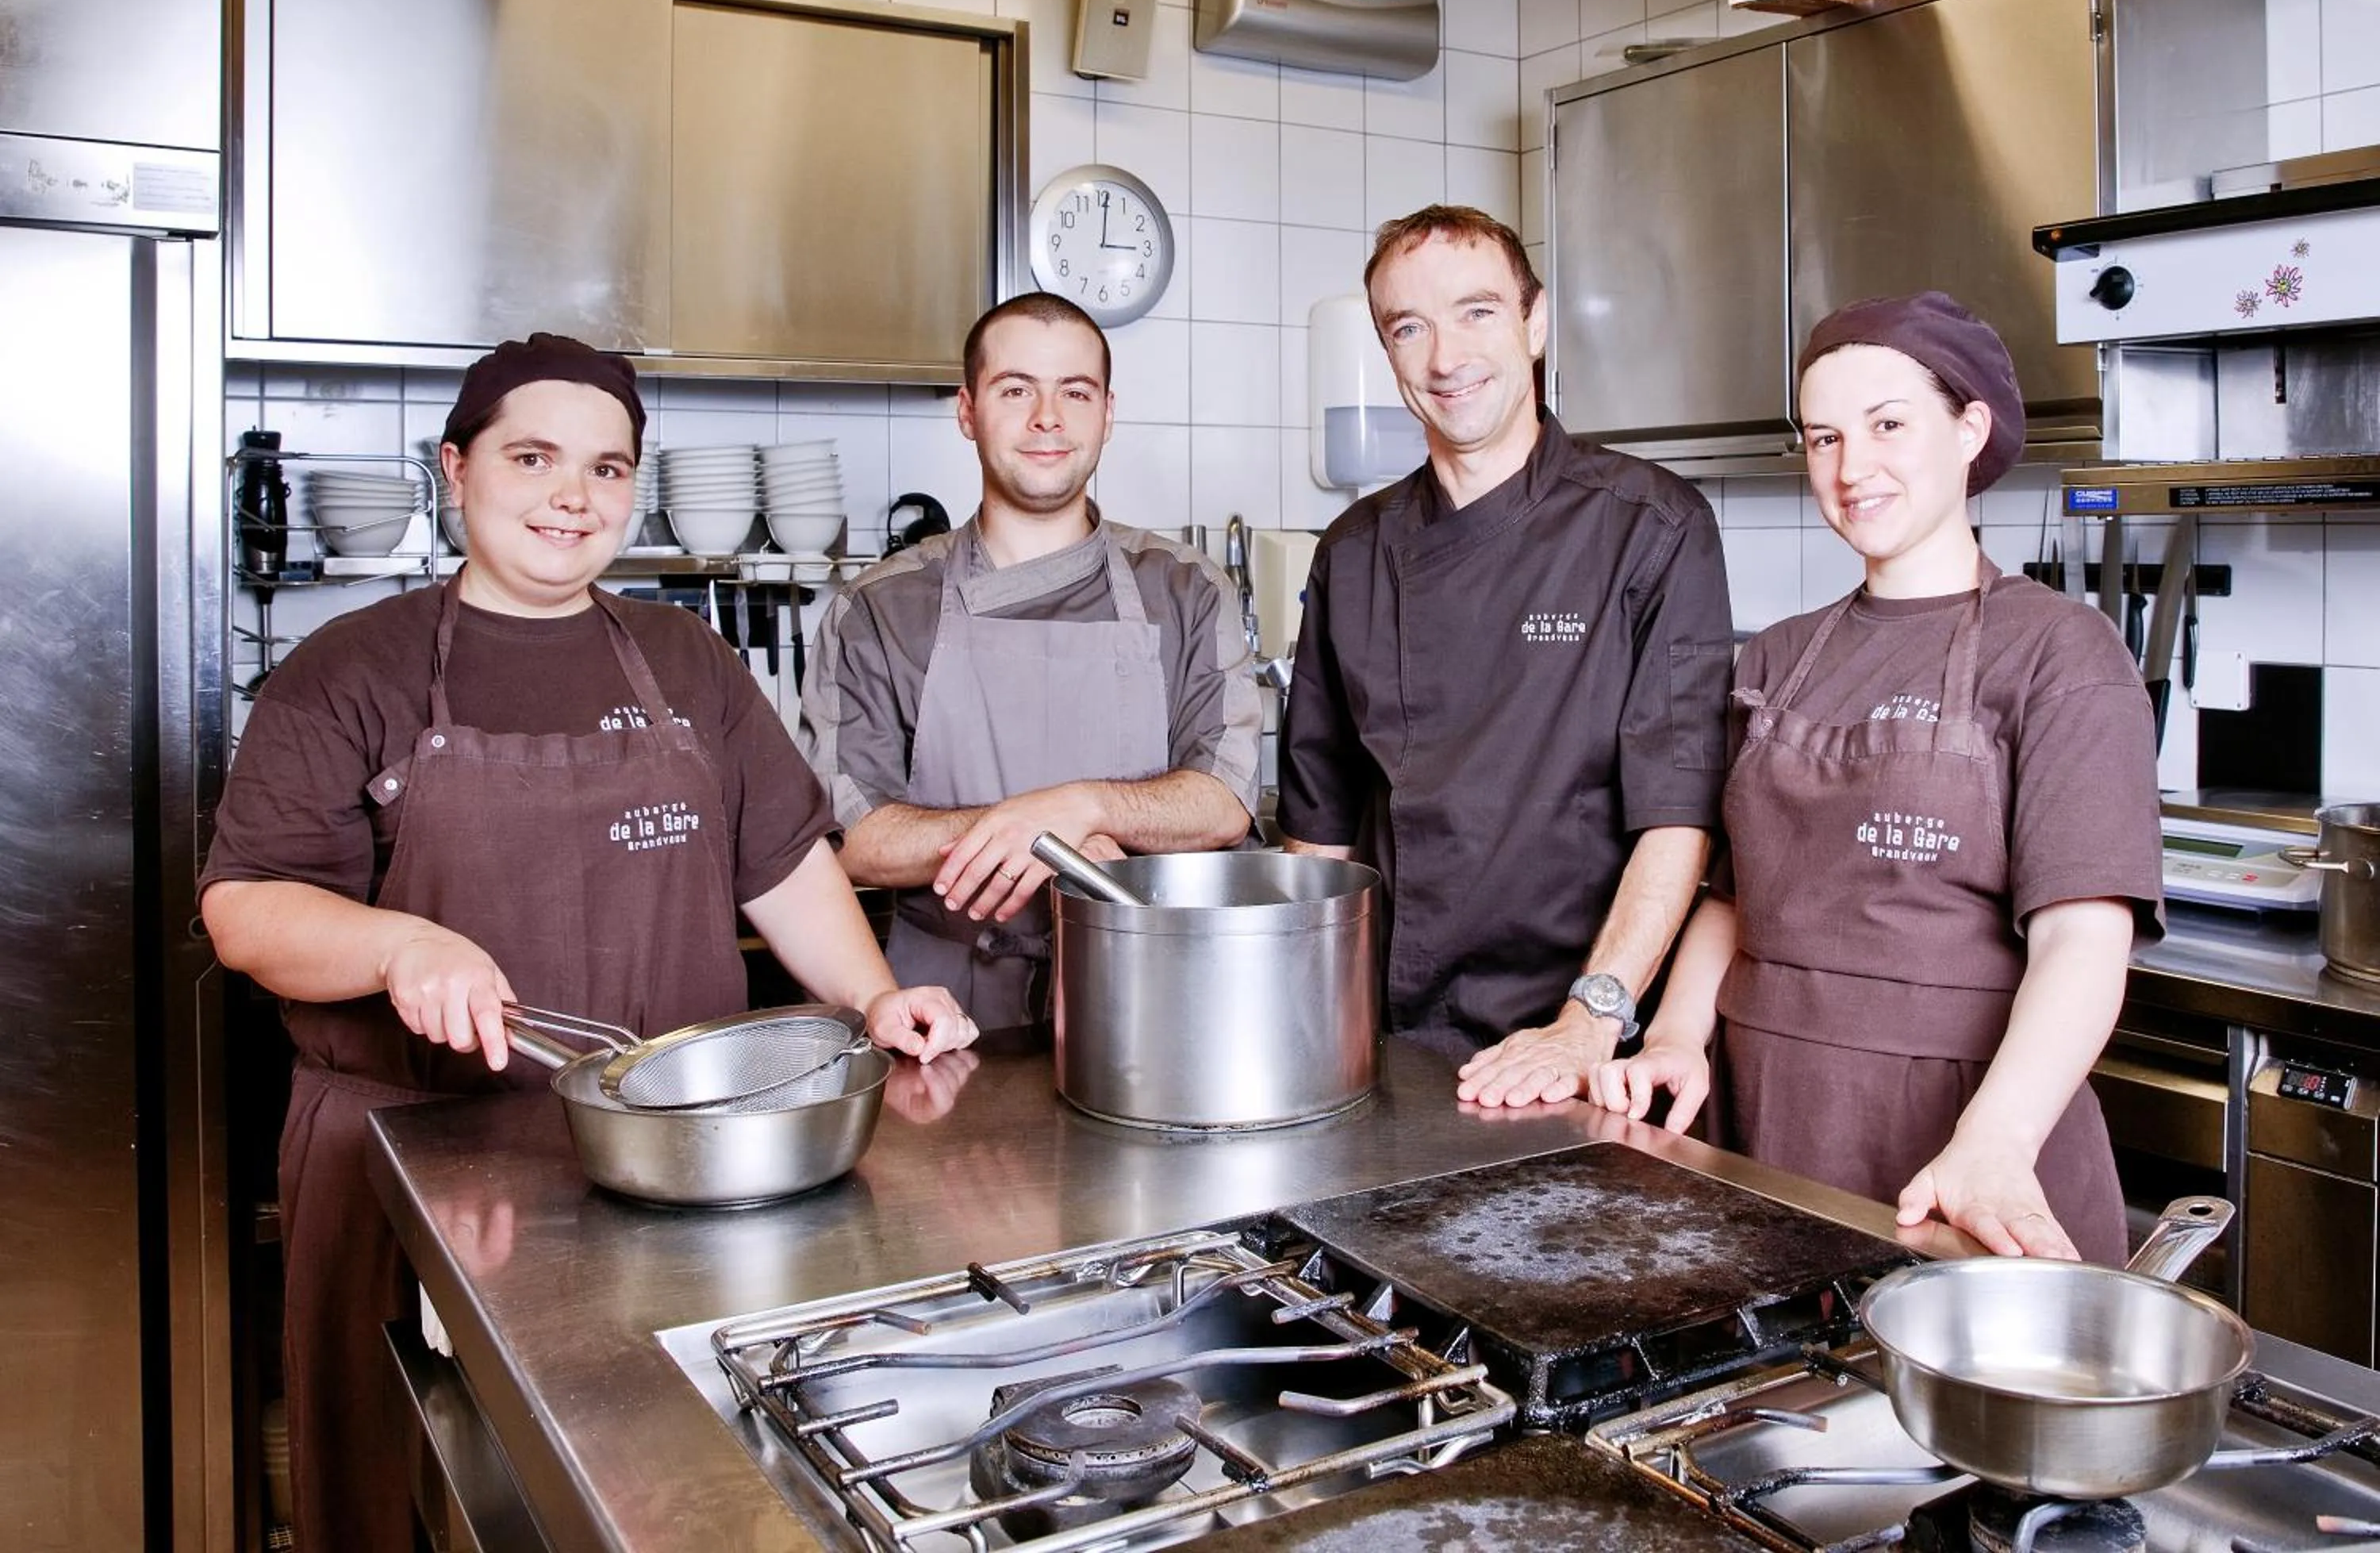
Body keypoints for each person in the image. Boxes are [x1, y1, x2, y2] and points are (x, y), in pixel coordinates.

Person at [199, 333, 976, 1553]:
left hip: (669, 1162)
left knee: (658, 1492)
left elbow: (780, 862)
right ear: (455, 471)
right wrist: (401, 945)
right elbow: (246, 908)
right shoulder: (348, 670)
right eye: (535, 458)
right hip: (415, 1163)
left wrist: (877, 998)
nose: (575, 494)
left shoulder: (685, 660)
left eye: (608, 469)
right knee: (415, 1486)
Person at [1587, 292, 2164, 1264]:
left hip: (1964, 1134)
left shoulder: (2062, 652)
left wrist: (1996, 1139)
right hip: (1762, 1123)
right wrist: (1678, 1034)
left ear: (1970, 428)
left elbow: (2082, 937)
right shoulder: (1775, 655)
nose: (1852, 469)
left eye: (1889, 424)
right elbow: (1737, 895)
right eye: (1823, 438)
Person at [1278, 205, 1735, 1094]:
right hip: (1385, 1042)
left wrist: (1588, 1021)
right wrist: (1305, 1026)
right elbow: (1318, 835)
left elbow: (1679, 813)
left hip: (1587, 1049)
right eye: (1410, 327)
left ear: (1534, 322)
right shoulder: (1354, 551)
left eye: (1477, 311)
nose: (1446, 357)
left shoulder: (1651, 526)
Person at [800, 293, 1261, 1040]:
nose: (1047, 417)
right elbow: (852, 836)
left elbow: (1224, 800)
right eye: (1016, 390)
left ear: (1107, 413)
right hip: (944, 1014)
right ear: (967, 411)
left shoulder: (1186, 589)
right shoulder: (881, 609)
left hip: (1150, 1001)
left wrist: (1085, 807)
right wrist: (1044, 840)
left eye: (1074, 393)